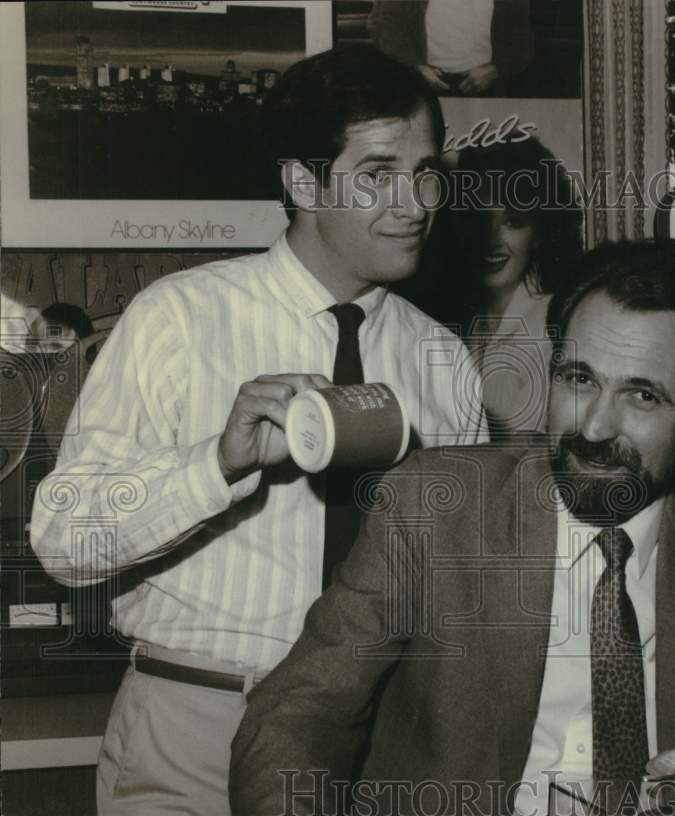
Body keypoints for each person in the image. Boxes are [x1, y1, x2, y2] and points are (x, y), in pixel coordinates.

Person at [230, 240, 675, 816]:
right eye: (578, 379)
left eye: (642, 395)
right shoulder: (435, 509)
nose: (593, 427)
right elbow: (298, 713)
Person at [30, 45, 486, 816]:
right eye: (377, 173)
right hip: (196, 731)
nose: (414, 203)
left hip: (372, 742)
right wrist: (215, 464)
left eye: (426, 171)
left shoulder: (443, 360)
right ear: (301, 181)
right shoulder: (178, 318)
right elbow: (64, 540)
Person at [453, 136, 583, 435]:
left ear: (539, 233)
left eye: (513, 222)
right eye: (479, 220)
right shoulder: (464, 320)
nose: (492, 239)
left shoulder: (553, 326)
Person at [367, 0, 534, 96]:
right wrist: (415, 66)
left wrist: (495, 70)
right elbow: (382, 25)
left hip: (486, 87)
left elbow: (523, 41)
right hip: (423, 86)